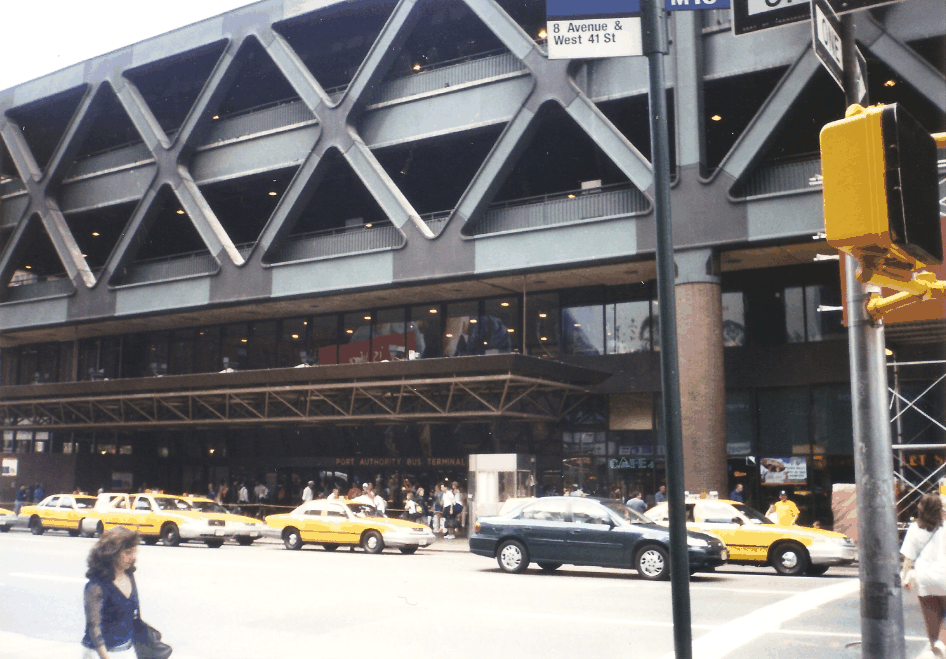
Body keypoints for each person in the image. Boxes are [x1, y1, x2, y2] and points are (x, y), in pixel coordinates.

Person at [81, 526, 142, 659]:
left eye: (134, 552)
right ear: (112, 553)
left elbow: (134, 615)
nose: (132, 557)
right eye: (127, 552)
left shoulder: (129, 575)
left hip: (126, 649)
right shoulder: (96, 586)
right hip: (100, 653)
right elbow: (94, 628)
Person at [901, 493, 946, 658]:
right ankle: (943, 642)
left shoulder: (914, 528)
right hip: (944, 576)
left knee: (931, 617)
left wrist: (905, 576)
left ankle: (935, 645)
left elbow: (908, 557)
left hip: (924, 577)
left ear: (921, 508)